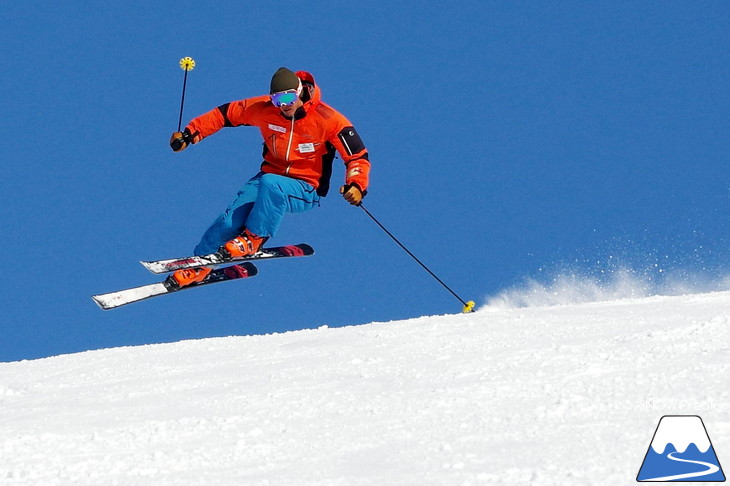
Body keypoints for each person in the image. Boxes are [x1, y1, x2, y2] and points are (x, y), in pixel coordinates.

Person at [167, 67, 371, 288]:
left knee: (272, 184)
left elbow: (357, 157)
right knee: (228, 221)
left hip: (305, 188)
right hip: (268, 177)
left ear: (300, 92)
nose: (284, 104)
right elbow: (224, 114)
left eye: (288, 97)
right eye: (277, 99)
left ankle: (254, 238)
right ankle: (198, 267)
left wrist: (356, 185)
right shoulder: (264, 109)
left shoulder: (329, 119)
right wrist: (190, 134)